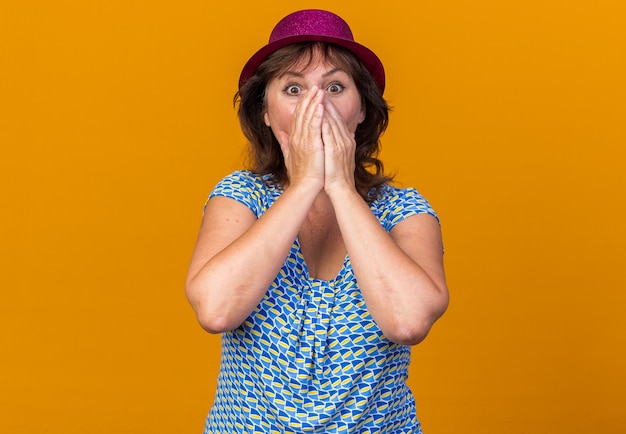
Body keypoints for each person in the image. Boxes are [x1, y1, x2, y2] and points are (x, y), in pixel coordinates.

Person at [186, 9, 449, 433]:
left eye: (334, 87)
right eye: (293, 88)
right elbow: (216, 310)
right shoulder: (242, 198)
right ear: (266, 113)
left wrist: (341, 187)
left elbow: (408, 322)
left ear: (361, 109)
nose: (316, 105)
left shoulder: (404, 210)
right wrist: (305, 184)